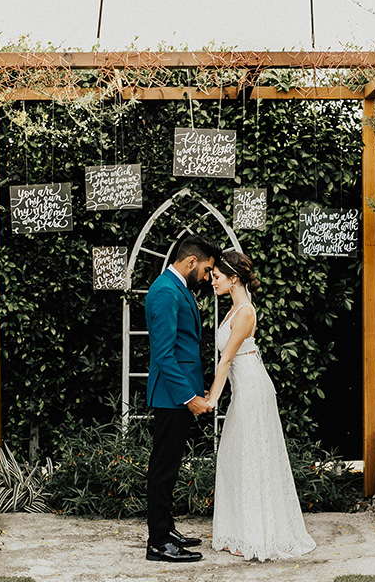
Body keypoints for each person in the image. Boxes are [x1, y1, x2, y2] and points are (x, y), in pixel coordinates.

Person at [206, 250, 317, 561]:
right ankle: (240, 531)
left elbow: (226, 358)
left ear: (234, 278)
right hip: (244, 389)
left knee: (251, 456)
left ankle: (256, 535)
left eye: (217, 277)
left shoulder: (244, 313)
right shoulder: (233, 310)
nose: (212, 281)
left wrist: (213, 398)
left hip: (253, 390)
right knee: (234, 454)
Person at [144, 234, 221, 563]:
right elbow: (164, 355)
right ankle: (158, 542)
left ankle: (166, 528)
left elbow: (183, 349)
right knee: (162, 468)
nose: (206, 277)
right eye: (206, 270)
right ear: (191, 261)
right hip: (170, 397)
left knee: (170, 466)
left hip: (178, 394)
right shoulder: (164, 291)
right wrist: (189, 396)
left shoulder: (177, 288)